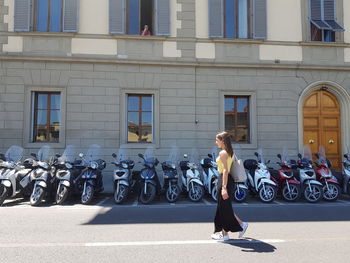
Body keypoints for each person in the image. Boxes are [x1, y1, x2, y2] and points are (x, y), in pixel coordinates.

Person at [211, 131, 248, 241]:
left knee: (224, 208)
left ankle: (226, 234)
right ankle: (240, 225)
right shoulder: (230, 151)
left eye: (217, 140)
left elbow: (226, 171)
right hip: (226, 180)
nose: (215, 142)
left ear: (222, 141)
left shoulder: (223, 153)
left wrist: (223, 188)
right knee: (225, 207)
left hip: (224, 179)